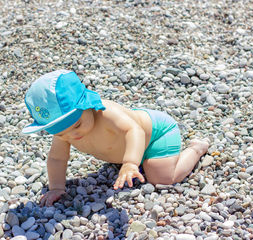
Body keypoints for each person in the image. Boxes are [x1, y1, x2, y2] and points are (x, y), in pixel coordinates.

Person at [22, 70, 209, 206]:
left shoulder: (106, 113)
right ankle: (136, 160)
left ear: (87, 106)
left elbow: (134, 130)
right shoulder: (66, 130)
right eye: (61, 133)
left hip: (156, 134)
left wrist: (129, 163)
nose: (72, 135)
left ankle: (196, 148)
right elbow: (57, 158)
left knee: (162, 178)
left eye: (77, 125)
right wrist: (56, 187)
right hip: (129, 146)